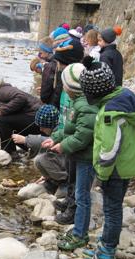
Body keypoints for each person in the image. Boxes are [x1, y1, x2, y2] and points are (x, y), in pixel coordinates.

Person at [78, 61, 135, 259]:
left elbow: (109, 150)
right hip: (128, 164)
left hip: (116, 169)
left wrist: (101, 173)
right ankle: (104, 246)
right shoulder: (126, 97)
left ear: (93, 93)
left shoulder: (111, 113)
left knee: (112, 210)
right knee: (114, 208)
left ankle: (107, 256)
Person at [44, 62, 97, 234]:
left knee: (82, 190)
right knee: (72, 178)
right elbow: (69, 128)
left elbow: (82, 135)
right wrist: (54, 138)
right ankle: (69, 200)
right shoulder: (78, 101)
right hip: (76, 153)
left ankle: (74, 215)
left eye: (64, 84)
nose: (63, 88)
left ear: (71, 87)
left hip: (85, 155)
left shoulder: (86, 106)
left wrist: (63, 145)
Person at [12, 105, 69, 194]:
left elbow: (43, 141)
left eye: (43, 126)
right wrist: (45, 175)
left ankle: (65, 182)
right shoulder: (57, 128)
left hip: (69, 162)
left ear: (50, 125)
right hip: (63, 161)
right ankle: (52, 180)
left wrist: (25, 140)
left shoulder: (60, 131)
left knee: (40, 159)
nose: (40, 129)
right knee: (38, 160)